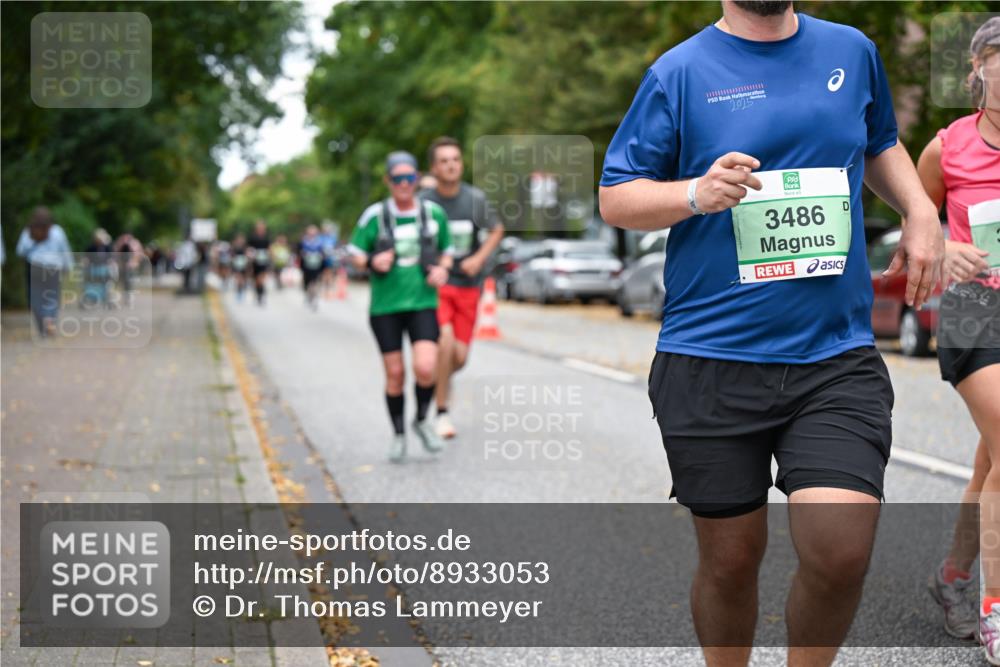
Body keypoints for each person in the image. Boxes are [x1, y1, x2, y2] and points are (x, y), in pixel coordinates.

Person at [598, 2, 944, 665]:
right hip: (710, 355)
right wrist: (694, 193)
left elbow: (877, 142)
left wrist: (920, 208)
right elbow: (617, 196)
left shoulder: (850, 51)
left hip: (834, 354)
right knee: (730, 561)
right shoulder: (680, 72)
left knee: (841, 551)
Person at [919, 16, 1000, 661]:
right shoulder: (947, 148)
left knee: (990, 462)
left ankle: (953, 575)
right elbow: (917, 227)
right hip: (976, 310)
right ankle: (995, 608)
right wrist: (945, 251)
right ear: (978, 69)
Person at [348, 151, 454, 462]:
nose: (404, 184)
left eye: (409, 178)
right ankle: (398, 435)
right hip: (386, 307)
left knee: (426, 367)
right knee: (395, 374)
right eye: (398, 179)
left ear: (417, 178)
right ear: (388, 181)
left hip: (422, 302)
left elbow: (447, 251)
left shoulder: (433, 214)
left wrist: (443, 269)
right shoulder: (375, 216)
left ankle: (421, 419)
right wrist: (371, 261)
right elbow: (354, 253)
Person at [420, 137, 505, 439]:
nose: (451, 165)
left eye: (455, 159)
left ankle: (437, 380)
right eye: (444, 161)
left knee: (459, 357)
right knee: (443, 341)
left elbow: (497, 229)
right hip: (437, 286)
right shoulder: (424, 203)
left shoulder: (474, 199)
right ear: (434, 168)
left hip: (469, 286)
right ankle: (441, 412)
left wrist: (478, 259)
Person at [16, 206, 73, 337]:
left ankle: (41, 326)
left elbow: (20, 251)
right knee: (52, 295)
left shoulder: (28, 231)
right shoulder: (57, 231)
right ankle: (49, 318)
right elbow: (65, 251)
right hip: (53, 268)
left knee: (35, 296)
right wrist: (67, 266)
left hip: (34, 266)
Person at [297, 225, 326, 311]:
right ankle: (308, 294)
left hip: (316, 265)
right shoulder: (304, 241)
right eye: (310, 232)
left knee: (314, 282)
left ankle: (314, 297)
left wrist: (321, 256)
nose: (312, 233)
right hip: (306, 265)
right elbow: (299, 252)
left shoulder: (320, 242)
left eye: (314, 232)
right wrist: (304, 254)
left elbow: (323, 253)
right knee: (307, 281)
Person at [247, 220, 271, 306]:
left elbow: (269, 249)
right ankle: (258, 293)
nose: (261, 229)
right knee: (257, 280)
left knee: (262, 279)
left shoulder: (266, 238)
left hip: (264, 261)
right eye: (259, 228)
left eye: (262, 228)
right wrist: (251, 256)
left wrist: (270, 256)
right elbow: (249, 249)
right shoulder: (253, 238)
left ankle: (261, 294)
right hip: (255, 262)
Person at [230, 234, 250, 301]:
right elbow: (232, 255)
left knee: (242, 279)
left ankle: (241, 290)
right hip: (237, 265)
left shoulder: (245, 247)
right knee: (238, 279)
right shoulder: (234, 247)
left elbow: (247, 256)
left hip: (243, 264)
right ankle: (239, 292)